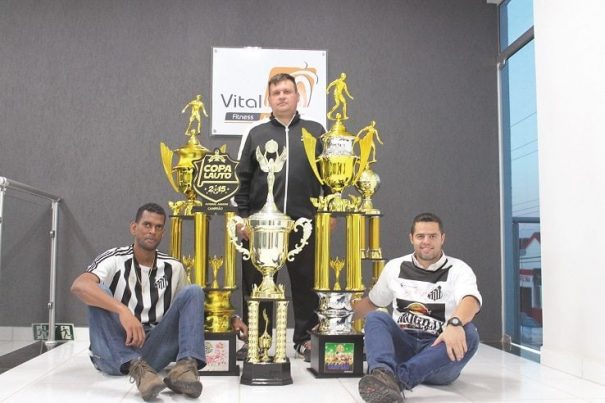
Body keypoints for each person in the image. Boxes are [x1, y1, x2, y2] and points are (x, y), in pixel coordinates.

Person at [71, 203, 247, 401]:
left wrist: (232, 318)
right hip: (112, 352)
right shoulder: (114, 259)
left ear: (163, 232)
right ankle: (136, 369)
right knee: (96, 289)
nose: (152, 231)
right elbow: (79, 285)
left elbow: (191, 309)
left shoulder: (173, 267)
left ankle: (184, 369)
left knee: (194, 291)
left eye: (158, 227)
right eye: (147, 225)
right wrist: (123, 311)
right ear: (134, 228)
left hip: (152, 350)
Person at [234, 73, 326, 362]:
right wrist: (242, 218)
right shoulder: (256, 134)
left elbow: (327, 178)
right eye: (276, 93)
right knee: (257, 285)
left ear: (298, 96)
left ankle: (303, 340)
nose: (282, 96)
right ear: (268, 99)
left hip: (305, 224)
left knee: (306, 284)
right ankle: (257, 342)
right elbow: (243, 179)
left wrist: (327, 213)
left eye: (287, 91)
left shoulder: (315, 132)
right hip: (260, 227)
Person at [354, 212, 482, 403]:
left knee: (470, 333)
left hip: (438, 355)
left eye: (433, 236)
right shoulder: (395, 267)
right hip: (404, 345)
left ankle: (395, 380)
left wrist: (454, 324)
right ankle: (382, 374)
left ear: (442, 238)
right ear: (411, 238)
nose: (426, 241)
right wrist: (336, 319)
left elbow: (471, 300)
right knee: (376, 317)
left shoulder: (459, 269)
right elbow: (373, 302)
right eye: (420, 236)